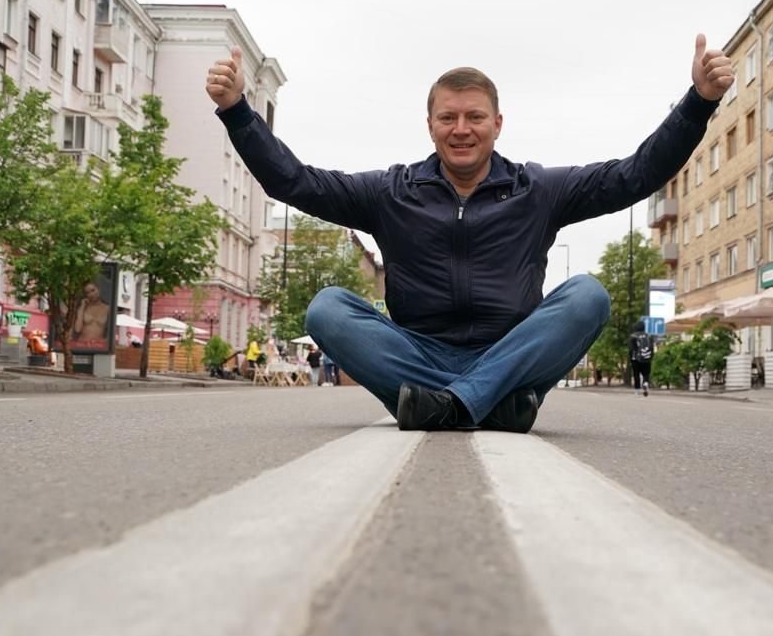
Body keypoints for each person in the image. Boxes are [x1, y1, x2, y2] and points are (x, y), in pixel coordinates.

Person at [206, 36, 732, 432]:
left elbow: (635, 175)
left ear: (497, 123)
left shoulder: (539, 189)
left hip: (512, 351)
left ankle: (446, 406)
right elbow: (295, 182)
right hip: (417, 354)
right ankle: (488, 405)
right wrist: (238, 113)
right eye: (448, 117)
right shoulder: (390, 192)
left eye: (475, 116)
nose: (462, 129)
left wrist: (698, 103)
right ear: (430, 124)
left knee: (588, 296)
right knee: (327, 309)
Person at [628, 320, 654, 397]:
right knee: (646, 373)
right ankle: (645, 383)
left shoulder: (632, 336)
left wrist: (631, 358)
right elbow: (652, 348)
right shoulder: (649, 336)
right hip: (646, 357)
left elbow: (631, 349)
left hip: (635, 358)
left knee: (636, 374)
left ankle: (637, 390)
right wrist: (651, 356)